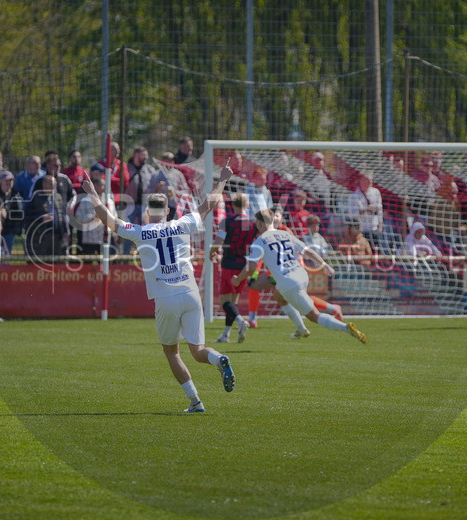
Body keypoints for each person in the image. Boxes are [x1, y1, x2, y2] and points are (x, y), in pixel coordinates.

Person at [80, 164, 236, 413]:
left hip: (166, 298)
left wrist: (92, 193)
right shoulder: (183, 224)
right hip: (190, 293)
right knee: (197, 351)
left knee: (171, 351)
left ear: (148, 213)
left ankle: (195, 402)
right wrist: (223, 180)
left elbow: (107, 219)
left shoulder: (141, 232)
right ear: (167, 210)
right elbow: (209, 203)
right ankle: (218, 358)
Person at [233, 208, 366, 344]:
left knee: (314, 316)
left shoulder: (259, 242)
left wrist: (237, 280)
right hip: (301, 274)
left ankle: (345, 328)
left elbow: (250, 268)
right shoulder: (286, 234)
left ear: (260, 224)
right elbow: (308, 251)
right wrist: (324, 265)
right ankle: (300, 328)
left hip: (288, 282)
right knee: (278, 295)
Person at [209, 192, 255, 343]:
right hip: (244, 266)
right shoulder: (252, 223)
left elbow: (219, 241)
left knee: (224, 302)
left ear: (233, 205)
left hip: (229, 264)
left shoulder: (226, 222)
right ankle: (225, 335)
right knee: (233, 303)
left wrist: (212, 252)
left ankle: (241, 322)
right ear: (246, 205)